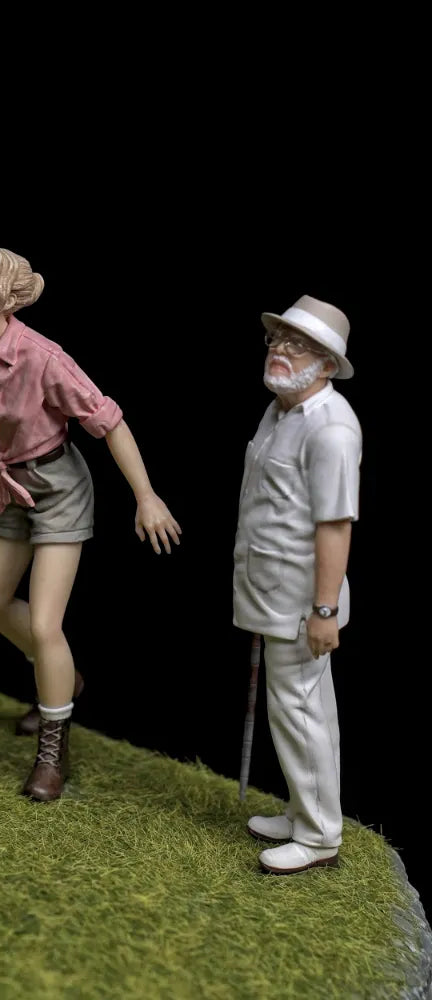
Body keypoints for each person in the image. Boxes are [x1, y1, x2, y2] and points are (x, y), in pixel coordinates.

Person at [0, 246, 181, 801]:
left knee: (44, 624)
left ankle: (52, 752)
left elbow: (109, 421)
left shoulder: (43, 357)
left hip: (58, 488)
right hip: (9, 485)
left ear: (3, 300)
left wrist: (146, 496)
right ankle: (62, 674)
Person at [234, 294, 362, 875]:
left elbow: (334, 525)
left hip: (300, 601)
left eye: (301, 346)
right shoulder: (280, 409)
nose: (282, 351)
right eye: (279, 339)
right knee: (300, 710)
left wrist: (324, 610)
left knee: (300, 711)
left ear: (328, 364)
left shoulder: (332, 429)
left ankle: (318, 837)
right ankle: (304, 811)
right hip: (271, 588)